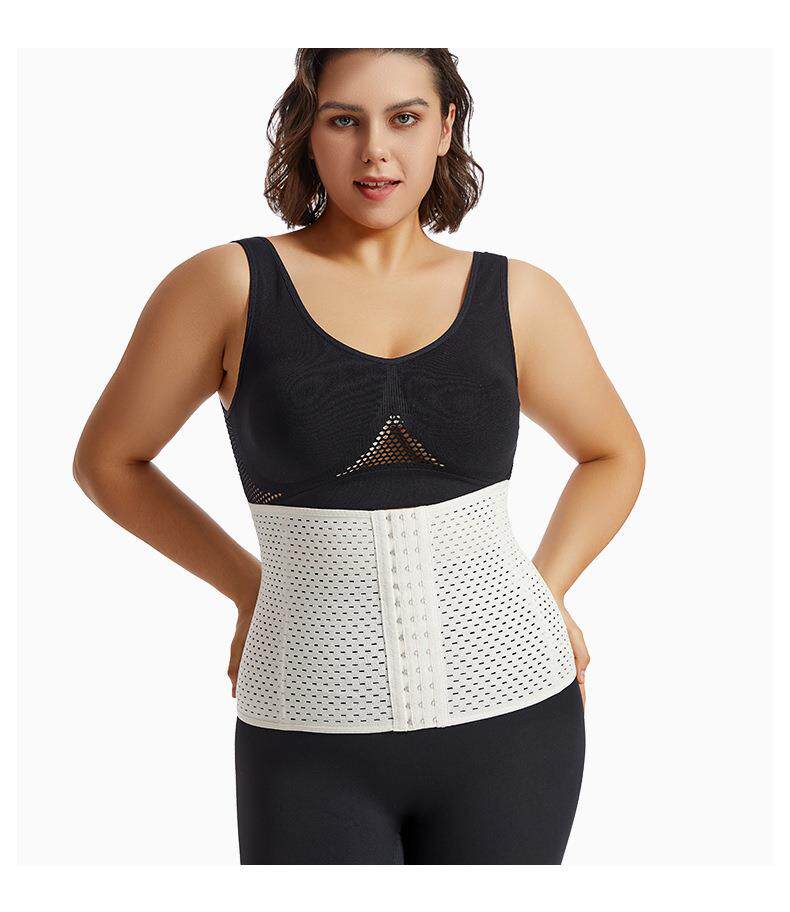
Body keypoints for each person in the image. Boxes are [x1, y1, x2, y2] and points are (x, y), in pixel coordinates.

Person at [73, 48, 645, 865]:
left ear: (445, 127)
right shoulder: (228, 284)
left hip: (518, 715)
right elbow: (109, 461)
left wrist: (545, 591)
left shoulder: (521, 295)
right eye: (345, 120)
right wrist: (249, 587)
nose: (376, 151)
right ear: (308, 132)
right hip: (306, 723)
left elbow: (613, 452)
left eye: (405, 118)